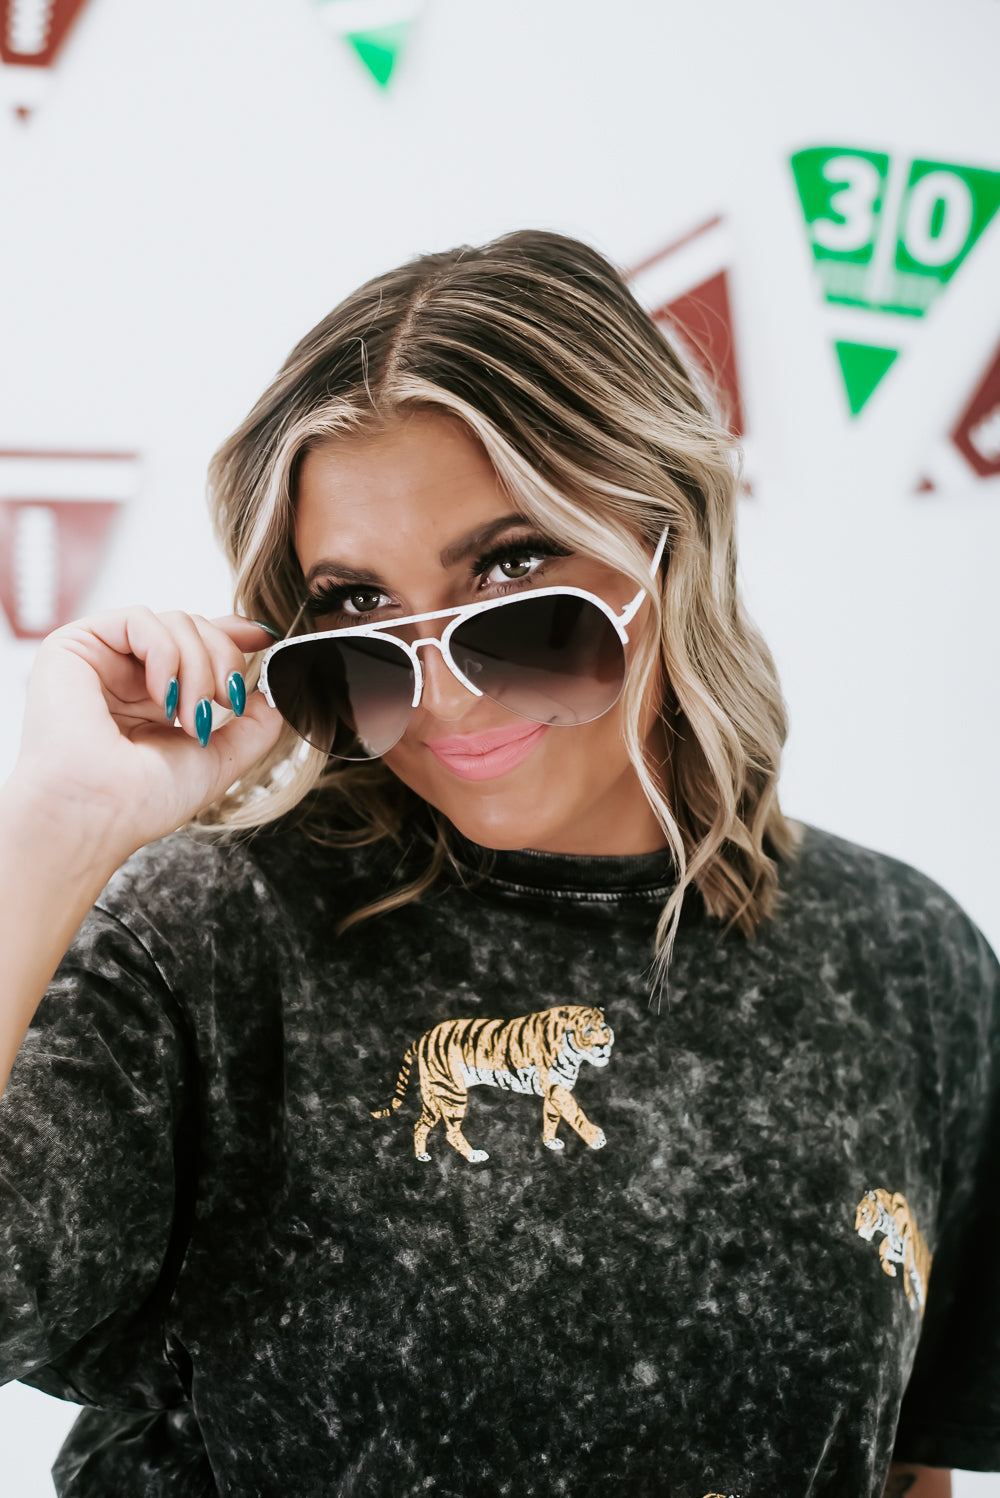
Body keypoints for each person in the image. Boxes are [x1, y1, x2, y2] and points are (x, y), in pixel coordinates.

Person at [0, 231, 995, 1498]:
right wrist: (55, 826)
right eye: (358, 607)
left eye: (514, 570)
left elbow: (902, 1459)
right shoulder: (209, 940)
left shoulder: (905, 957)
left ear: (668, 537)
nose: (447, 693)